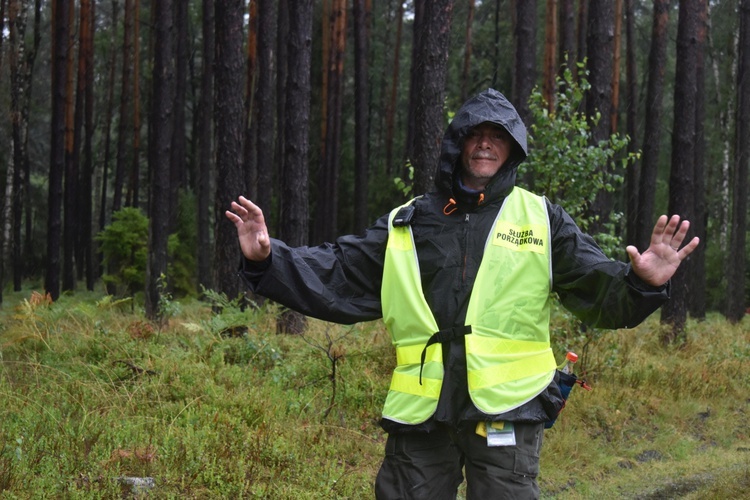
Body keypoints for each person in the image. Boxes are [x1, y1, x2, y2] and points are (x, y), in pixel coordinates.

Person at [225, 88, 699, 499]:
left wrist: (642, 282)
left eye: (499, 136)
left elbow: (597, 288)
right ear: (459, 143)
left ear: (513, 149)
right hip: (423, 411)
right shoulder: (407, 221)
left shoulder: (541, 218)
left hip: (510, 410)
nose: (487, 143)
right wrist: (269, 259)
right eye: (477, 133)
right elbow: (338, 270)